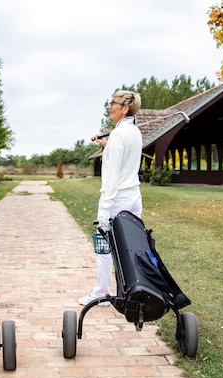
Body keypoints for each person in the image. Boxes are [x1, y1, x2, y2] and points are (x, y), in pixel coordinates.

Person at [79, 90, 143, 306]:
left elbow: (113, 175)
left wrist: (105, 210)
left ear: (125, 108)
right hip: (134, 196)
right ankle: (130, 291)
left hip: (117, 199)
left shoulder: (119, 134)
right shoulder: (134, 131)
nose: (109, 107)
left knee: (105, 248)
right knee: (131, 247)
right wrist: (105, 144)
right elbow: (122, 156)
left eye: (113, 103)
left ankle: (101, 294)